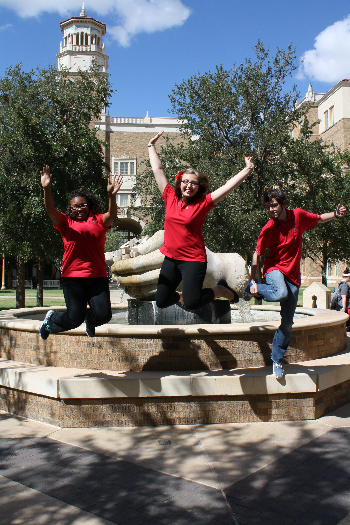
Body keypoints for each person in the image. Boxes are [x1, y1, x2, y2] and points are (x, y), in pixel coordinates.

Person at [244, 187, 347, 378]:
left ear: (283, 204)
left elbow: (318, 218)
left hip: (293, 276)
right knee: (280, 292)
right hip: (274, 269)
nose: (271, 210)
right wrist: (253, 278)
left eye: (274, 205)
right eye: (268, 207)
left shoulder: (298, 217)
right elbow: (257, 254)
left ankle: (276, 359)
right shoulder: (268, 229)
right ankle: (255, 289)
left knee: (288, 323)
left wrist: (335, 214)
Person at [148, 130, 254, 310]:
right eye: (185, 181)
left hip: (193, 259)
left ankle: (220, 290)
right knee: (162, 300)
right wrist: (151, 146)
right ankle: (184, 295)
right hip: (171, 258)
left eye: (193, 183)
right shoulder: (169, 197)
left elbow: (228, 187)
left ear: (198, 187)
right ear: (180, 183)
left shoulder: (203, 203)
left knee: (192, 303)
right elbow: (157, 169)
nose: (189, 185)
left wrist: (247, 169)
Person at [39, 165, 122, 339]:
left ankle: (90, 321)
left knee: (104, 315)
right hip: (73, 278)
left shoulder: (99, 220)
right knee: (73, 319)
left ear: (89, 205)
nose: (79, 209)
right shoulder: (65, 223)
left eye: (82, 205)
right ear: (70, 209)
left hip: (97, 276)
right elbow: (50, 210)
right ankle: (51, 320)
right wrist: (47, 189)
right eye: (74, 207)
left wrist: (112, 196)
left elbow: (112, 215)